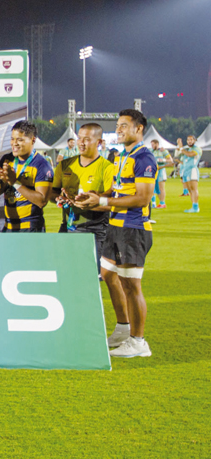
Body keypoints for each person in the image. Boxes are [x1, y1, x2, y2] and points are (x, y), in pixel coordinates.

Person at [78, 109, 157, 358]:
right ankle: (123, 329)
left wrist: (103, 200)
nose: (120, 129)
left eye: (125, 125)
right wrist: (89, 201)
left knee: (132, 285)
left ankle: (139, 342)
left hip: (133, 230)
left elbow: (143, 197)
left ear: (139, 129)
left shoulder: (144, 158)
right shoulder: (123, 157)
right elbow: (116, 195)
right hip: (116, 227)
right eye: (118, 125)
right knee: (108, 274)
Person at [51, 123, 114, 274]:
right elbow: (52, 193)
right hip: (67, 227)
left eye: (86, 139)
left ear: (99, 142)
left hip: (95, 229)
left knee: (90, 277)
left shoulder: (107, 167)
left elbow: (112, 203)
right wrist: (60, 199)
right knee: (63, 274)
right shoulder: (65, 165)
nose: (81, 142)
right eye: (79, 138)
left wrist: (88, 204)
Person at [0, 120, 53, 232]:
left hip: (31, 227)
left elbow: (41, 201)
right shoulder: (7, 159)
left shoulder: (42, 165)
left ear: (33, 140)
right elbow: (0, 190)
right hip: (9, 226)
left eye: (20, 140)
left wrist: (15, 182)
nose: (14, 143)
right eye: (12, 139)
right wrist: (2, 181)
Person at [177, 135, 201, 213]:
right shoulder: (187, 148)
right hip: (186, 171)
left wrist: (181, 147)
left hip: (192, 170)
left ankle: (196, 207)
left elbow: (190, 154)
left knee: (193, 189)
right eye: (188, 140)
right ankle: (193, 206)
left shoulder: (197, 149)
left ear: (194, 140)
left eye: (191, 140)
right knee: (190, 190)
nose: (189, 141)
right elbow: (180, 156)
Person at [149, 139, 171, 209]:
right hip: (153, 171)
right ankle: (154, 203)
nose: (152, 146)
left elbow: (170, 160)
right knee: (153, 188)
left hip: (161, 170)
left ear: (157, 144)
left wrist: (163, 160)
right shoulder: (150, 151)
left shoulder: (163, 151)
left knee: (161, 187)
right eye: (151, 145)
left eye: (153, 145)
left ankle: (162, 203)